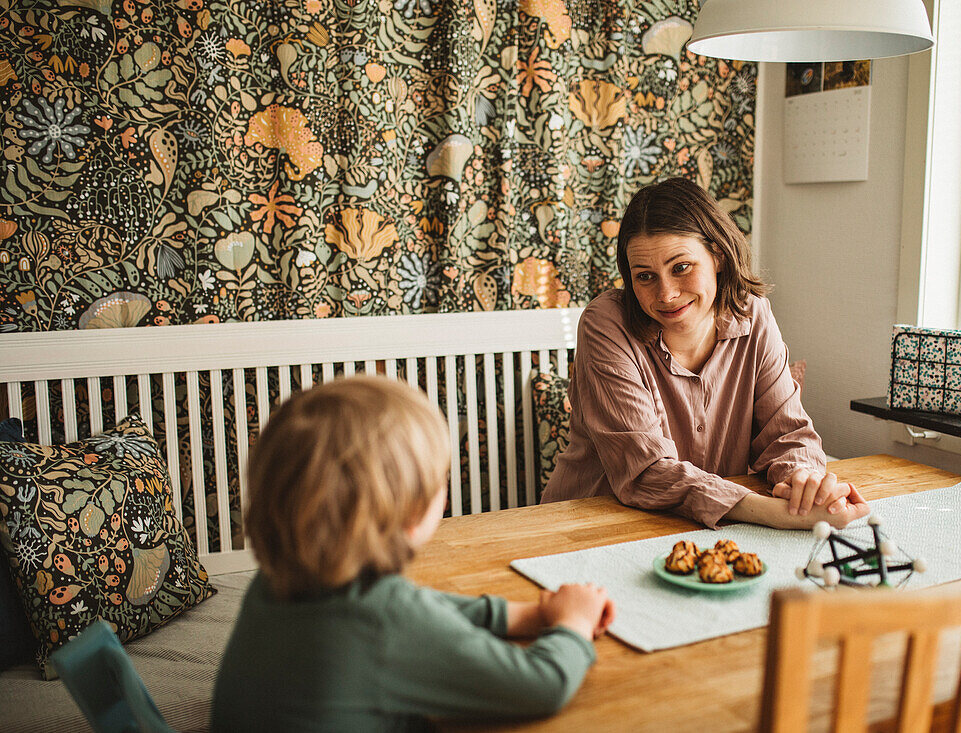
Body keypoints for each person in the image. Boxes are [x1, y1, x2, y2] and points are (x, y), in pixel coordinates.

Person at [212, 377, 615, 732]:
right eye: (441, 480)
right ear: (407, 512)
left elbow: (422, 609)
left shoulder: (274, 584)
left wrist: (528, 615)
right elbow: (540, 686)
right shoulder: (385, 622)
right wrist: (573, 624)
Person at [541, 178, 869, 530]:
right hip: (589, 525)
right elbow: (645, 470)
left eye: (681, 267)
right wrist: (775, 514)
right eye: (646, 276)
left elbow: (787, 434)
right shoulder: (605, 324)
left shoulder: (753, 314)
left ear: (718, 255)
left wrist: (804, 482)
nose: (666, 294)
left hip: (702, 528)